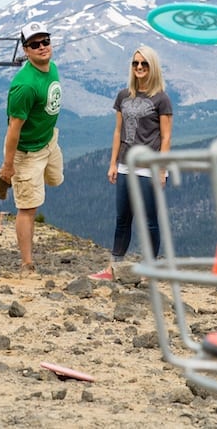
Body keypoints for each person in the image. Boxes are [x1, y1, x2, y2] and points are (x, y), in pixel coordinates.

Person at [90, 45, 172, 280]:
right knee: (123, 218)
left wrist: (162, 168)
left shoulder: (162, 99)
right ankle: (114, 268)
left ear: (152, 67)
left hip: (148, 169)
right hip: (125, 165)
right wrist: (113, 163)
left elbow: (166, 137)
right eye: (135, 63)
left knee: (149, 221)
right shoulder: (123, 96)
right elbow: (118, 131)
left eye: (144, 64)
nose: (139, 67)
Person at [0, 21, 64, 277]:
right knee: (29, 206)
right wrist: (10, 164)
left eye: (46, 41)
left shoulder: (51, 68)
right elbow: (13, 129)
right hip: (27, 152)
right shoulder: (24, 86)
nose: (42, 47)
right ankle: (27, 264)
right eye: (35, 44)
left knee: (56, 180)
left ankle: (4, 176)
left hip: (48, 141)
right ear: (26, 50)